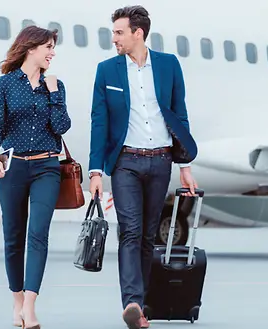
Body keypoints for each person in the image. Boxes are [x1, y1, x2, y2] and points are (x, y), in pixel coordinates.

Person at [88, 5, 199, 329]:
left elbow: (180, 115)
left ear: (138, 33)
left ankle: (142, 305)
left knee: (149, 236)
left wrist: (185, 166)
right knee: (131, 232)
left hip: (161, 160)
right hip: (126, 163)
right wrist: (96, 171)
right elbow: (99, 122)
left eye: (119, 32)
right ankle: (132, 303)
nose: (114, 39)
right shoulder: (106, 70)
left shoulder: (168, 66)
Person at [0, 25, 71, 329]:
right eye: (48, 47)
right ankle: (17, 302)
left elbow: (61, 126)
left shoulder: (55, 84)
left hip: (47, 167)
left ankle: (31, 307)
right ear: (31, 48)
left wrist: (54, 94)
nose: (52, 52)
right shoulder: (6, 84)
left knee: (38, 234)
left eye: (53, 47)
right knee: (13, 238)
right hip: (14, 167)